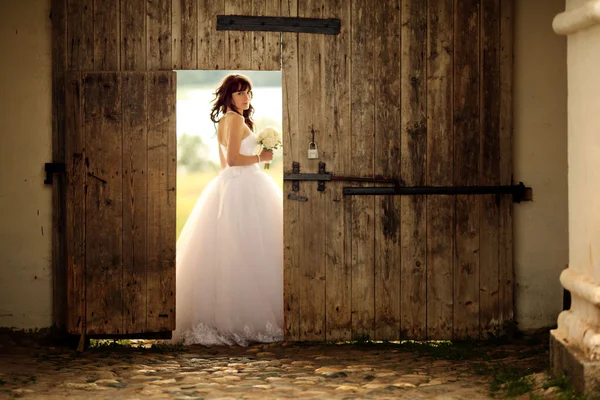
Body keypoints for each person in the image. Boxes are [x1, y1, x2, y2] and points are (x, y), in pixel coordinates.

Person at [172, 74, 284, 346]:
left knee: (236, 250)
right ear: (229, 97)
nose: (246, 98)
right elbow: (233, 160)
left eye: (248, 93)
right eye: (240, 94)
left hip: (231, 186)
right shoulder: (234, 120)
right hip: (244, 186)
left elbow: (224, 165)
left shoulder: (224, 121)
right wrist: (262, 157)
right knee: (250, 249)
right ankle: (244, 318)